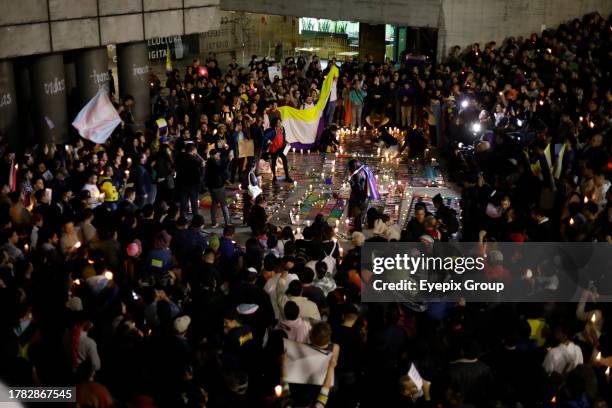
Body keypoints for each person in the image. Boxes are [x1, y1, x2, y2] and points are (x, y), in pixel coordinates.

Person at [175, 143, 204, 218]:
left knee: (183, 203)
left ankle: (183, 219)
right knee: (194, 203)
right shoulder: (194, 159)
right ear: (193, 150)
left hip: (182, 184)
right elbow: (201, 171)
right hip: (193, 184)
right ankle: (195, 220)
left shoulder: (179, 157)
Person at [204, 149, 231, 227]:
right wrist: (228, 161)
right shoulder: (212, 163)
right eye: (216, 155)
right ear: (212, 155)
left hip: (212, 186)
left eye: (218, 154)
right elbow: (221, 170)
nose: (218, 156)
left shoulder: (210, 162)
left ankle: (214, 222)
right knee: (224, 204)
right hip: (217, 186)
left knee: (214, 203)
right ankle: (227, 222)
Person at [264, 118, 293, 184]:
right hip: (274, 148)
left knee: (285, 161)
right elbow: (265, 136)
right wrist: (269, 141)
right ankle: (274, 176)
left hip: (281, 148)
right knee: (274, 162)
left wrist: (286, 142)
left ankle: (287, 177)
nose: (279, 124)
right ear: (275, 124)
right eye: (278, 122)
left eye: (280, 122)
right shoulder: (272, 131)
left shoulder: (282, 129)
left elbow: (283, 138)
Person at [347, 159, 367, 230]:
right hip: (361, 197)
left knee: (357, 214)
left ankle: (357, 229)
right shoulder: (361, 172)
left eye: (350, 168)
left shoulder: (356, 175)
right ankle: (357, 228)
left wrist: (351, 182)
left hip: (357, 198)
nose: (349, 169)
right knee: (358, 215)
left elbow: (358, 188)